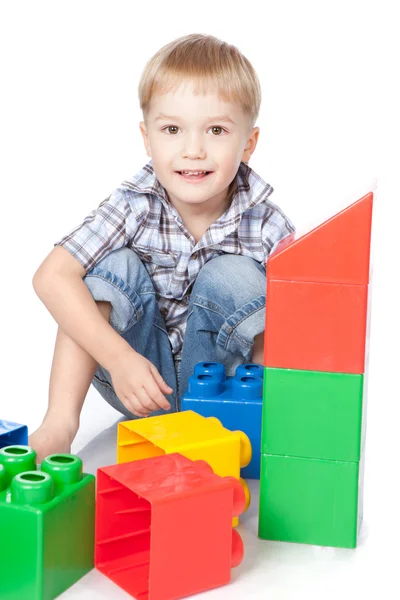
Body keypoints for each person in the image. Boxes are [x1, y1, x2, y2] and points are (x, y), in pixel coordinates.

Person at [28, 33, 295, 462]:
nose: (193, 149)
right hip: (136, 382)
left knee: (240, 277)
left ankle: (260, 418)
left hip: (222, 399)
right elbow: (51, 277)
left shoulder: (267, 222)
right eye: (172, 129)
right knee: (110, 268)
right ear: (147, 139)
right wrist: (119, 359)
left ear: (248, 144)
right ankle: (59, 425)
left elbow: (291, 326)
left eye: (217, 130)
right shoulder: (134, 204)